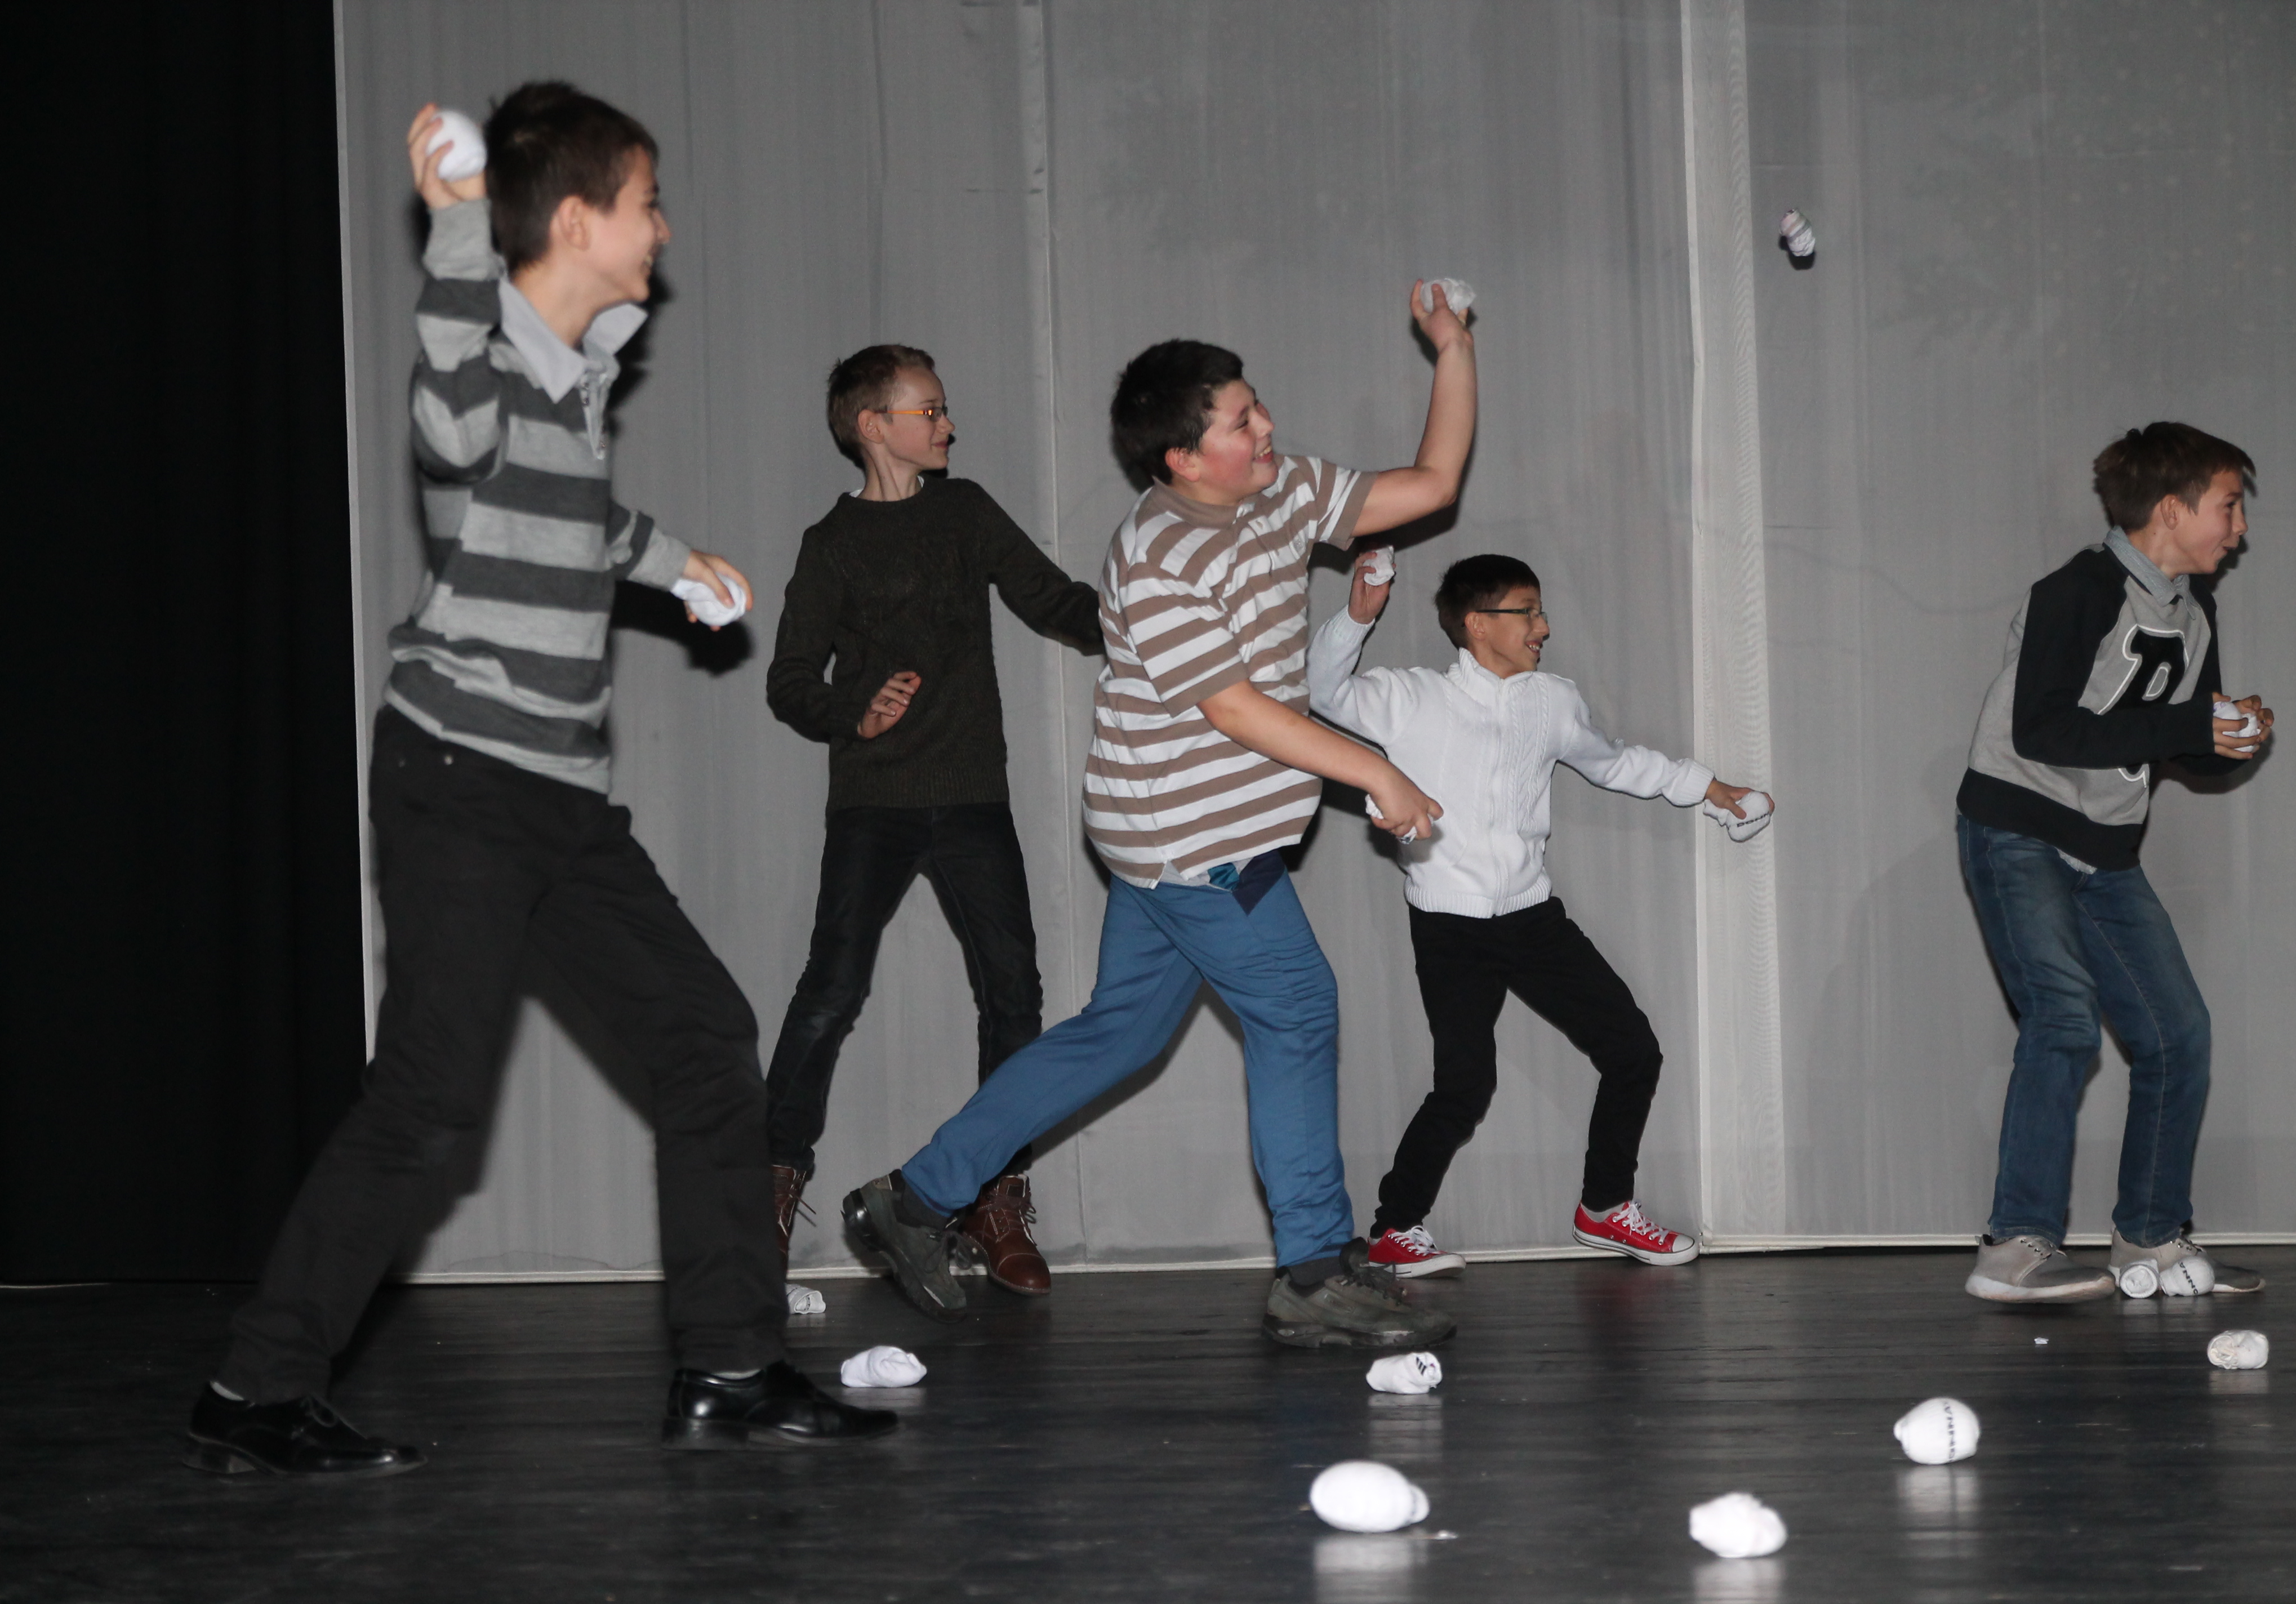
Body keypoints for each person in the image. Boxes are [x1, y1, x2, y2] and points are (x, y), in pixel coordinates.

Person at [183, 86, 893, 1479]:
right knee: (430, 1095)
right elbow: (451, 417)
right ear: (576, 220)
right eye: (646, 202)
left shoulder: (565, 388)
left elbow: (574, 516)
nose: (665, 228)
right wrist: (458, 222)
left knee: (705, 1037)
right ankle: (254, 1389)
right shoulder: (486, 360)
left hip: (558, 798)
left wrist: (678, 564)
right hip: (462, 776)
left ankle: (731, 1365)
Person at [843, 287, 1476, 1348]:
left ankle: (910, 1201)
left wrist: (1452, 348)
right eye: (1240, 421)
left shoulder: (1282, 490)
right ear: (1182, 459)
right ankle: (1313, 1272)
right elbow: (1235, 709)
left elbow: (1432, 483)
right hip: (1192, 840)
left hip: (1170, 832)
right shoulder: (1158, 558)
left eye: (1256, 406)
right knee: (1297, 1009)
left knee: (1119, 1034)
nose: (1266, 427)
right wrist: (1378, 772)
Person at [1306, 552, 1764, 1278]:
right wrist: (1357, 617)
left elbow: (1615, 762)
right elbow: (1323, 690)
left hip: (1531, 919)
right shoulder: (1410, 697)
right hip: (1449, 925)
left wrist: (1706, 786)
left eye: (1541, 611)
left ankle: (1605, 1209)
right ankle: (1394, 1230)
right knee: (1464, 1087)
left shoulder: (1554, 701)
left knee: (1633, 1051)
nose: (1543, 627)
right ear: (1478, 624)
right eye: (1528, 612)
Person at [760, 345, 1104, 1294]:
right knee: (829, 994)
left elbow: (1054, 600)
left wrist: (1154, 621)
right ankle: (768, 1188)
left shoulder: (965, 511)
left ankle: (993, 1194)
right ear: (875, 425)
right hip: (873, 804)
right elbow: (789, 680)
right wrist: (852, 710)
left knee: (1014, 995)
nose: (949, 425)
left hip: (971, 797)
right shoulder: (831, 543)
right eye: (932, 410)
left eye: (945, 410)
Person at [1954, 422, 2272, 1303]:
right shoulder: (2079, 591)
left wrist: (2229, 737)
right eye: (2228, 507)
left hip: (2103, 848)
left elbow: (2179, 744)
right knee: (2062, 1018)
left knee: (2178, 1034)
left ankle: (2152, 1239)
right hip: (2018, 826)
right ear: (2170, 510)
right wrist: (2190, 725)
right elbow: (2042, 729)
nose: (2239, 529)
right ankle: (2014, 1248)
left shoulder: (2193, 610)